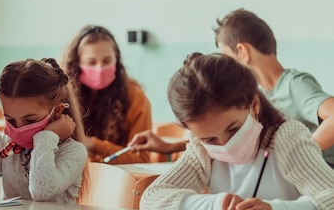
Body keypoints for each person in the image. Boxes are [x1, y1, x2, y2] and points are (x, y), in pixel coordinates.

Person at [140, 53, 334, 210]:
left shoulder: (285, 139)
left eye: (233, 129)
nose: (225, 144)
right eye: (210, 139)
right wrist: (215, 204)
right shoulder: (201, 150)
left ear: (254, 104)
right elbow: (150, 199)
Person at [130, 9, 334, 167]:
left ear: (242, 51)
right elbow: (232, 141)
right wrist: (170, 146)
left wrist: (300, 154)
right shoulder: (257, 97)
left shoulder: (293, 83)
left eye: (226, 58)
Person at [0, 58, 89, 203]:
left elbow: (41, 192)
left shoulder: (73, 151)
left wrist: (47, 137)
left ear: (57, 111)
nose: (19, 129)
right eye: (10, 120)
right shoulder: (6, 143)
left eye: (30, 121)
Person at [61, 25, 152, 164]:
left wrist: (93, 144)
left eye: (107, 61)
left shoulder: (135, 96)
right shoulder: (62, 96)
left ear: (117, 60)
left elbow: (141, 159)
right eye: (91, 62)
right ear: (76, 63)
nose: (100, 68)